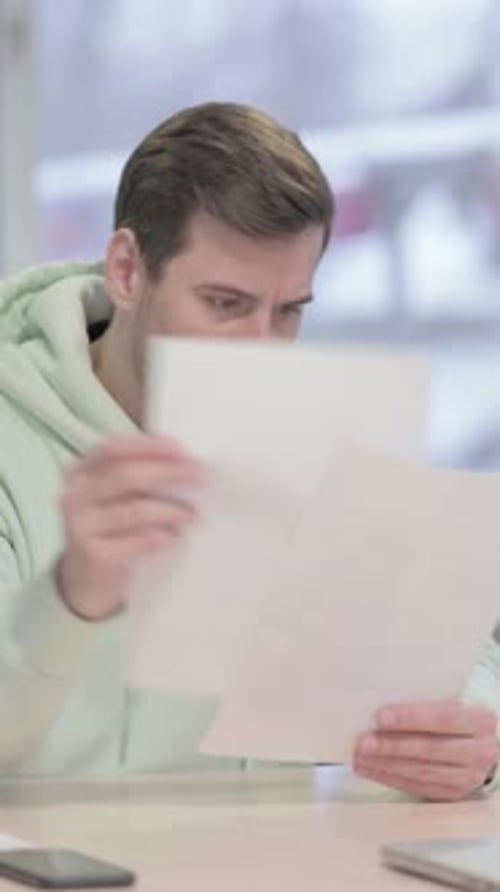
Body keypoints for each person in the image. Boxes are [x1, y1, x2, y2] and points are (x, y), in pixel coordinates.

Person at [0, 101, 497, 795]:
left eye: (290, 310)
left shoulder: (319, 438)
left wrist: (478, 740)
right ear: (127, 270)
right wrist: (70, 599)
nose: (262, 348)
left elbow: (458, 652)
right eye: (226, 304)